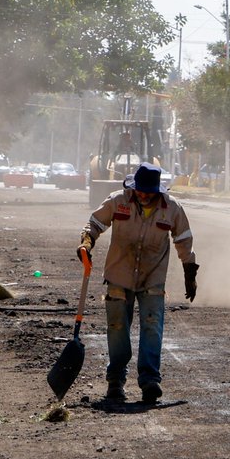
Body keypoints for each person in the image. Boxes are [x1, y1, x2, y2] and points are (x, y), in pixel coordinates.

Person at [78, 163, 199, 405]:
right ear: (133, 187)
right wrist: (86, 243)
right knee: (117, 327)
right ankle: (115, 381)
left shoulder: (172, 208)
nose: (143, 195)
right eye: (139, 190)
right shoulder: (118, 200)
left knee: (152, 327)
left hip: (152, 276)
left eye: (148, 191)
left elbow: (183, 239)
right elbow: (94, 223)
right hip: (119, 275)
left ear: (157, 190)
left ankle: (150, 381)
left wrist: (189, 271)